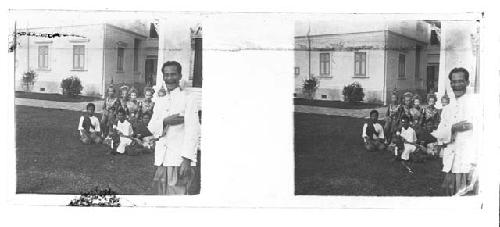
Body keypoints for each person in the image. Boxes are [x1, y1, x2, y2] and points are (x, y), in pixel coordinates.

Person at [149, 61, 201, 195]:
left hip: (178, 159)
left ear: (179, 76)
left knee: (177, 197)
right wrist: (166, 121)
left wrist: (187, 160)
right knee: (161, 196)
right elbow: (151, 127)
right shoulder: (160, 100)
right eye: (166, 75)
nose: (169, 78)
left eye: (173, 74)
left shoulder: (188, 99)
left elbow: (193, 131)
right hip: (162, 159)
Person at [432, 67, 479, 196]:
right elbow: (439, 134)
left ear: (467, 83)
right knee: (451, 195)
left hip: (469, 161)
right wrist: (454, 128)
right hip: (451, 162)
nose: (456, 85)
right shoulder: (447, 109)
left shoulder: (476, 105)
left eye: (460, 81)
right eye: (453, 82)